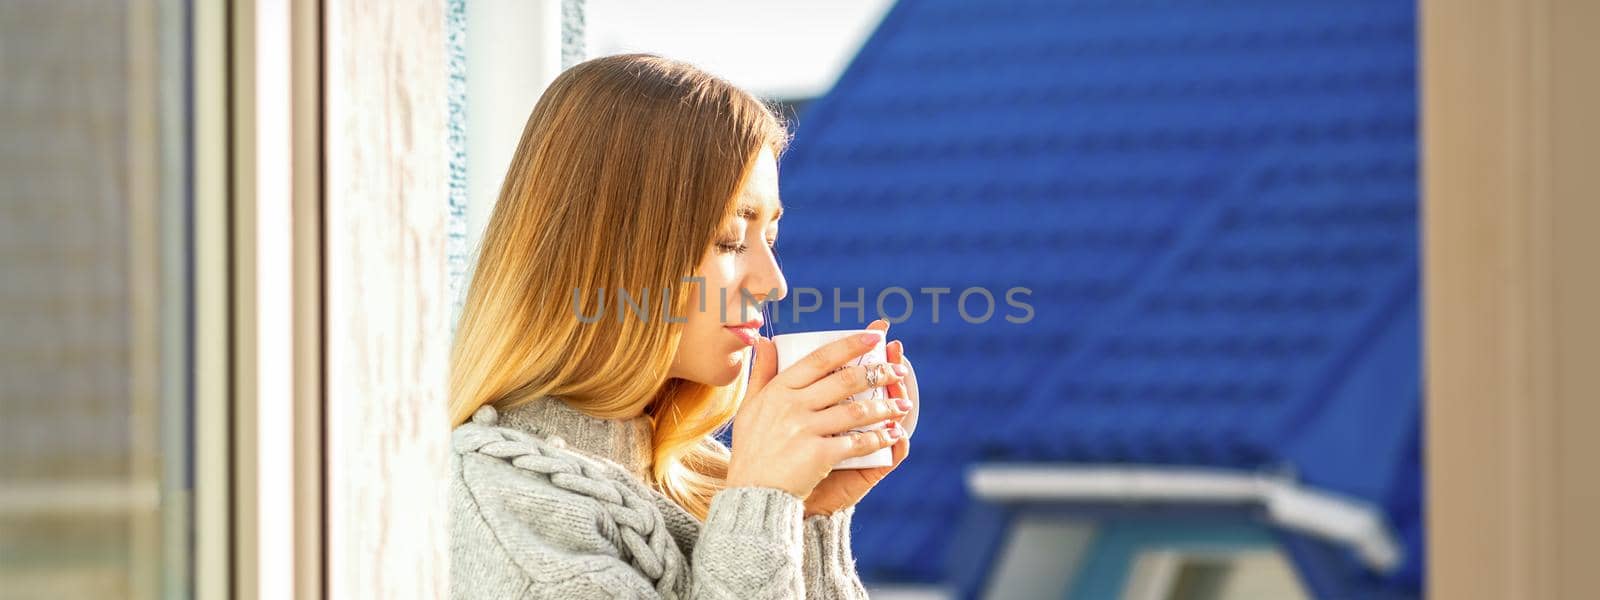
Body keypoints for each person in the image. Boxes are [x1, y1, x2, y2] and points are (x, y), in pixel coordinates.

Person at [448, 53, 920, 599]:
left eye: (770, 238)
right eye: (728, 240)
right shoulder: (502, 515)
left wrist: (808, 516)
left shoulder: (716, 484)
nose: (773, 283)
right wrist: (762, 504)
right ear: (612, 252)